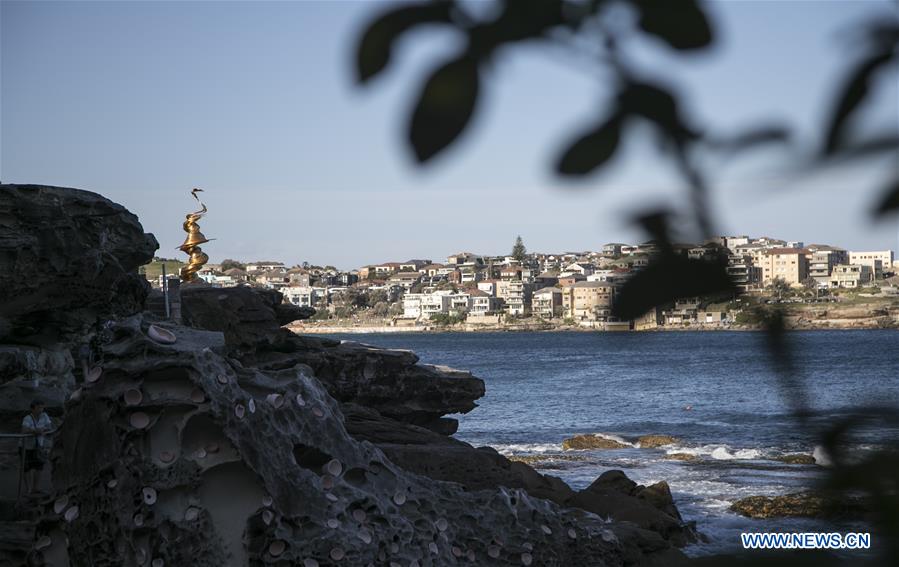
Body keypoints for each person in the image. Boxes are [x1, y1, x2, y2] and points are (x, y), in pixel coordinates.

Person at [21, 400, 52, 495]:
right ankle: (28, 489)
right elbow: (24, 430)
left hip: (38, 446)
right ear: (32, 408)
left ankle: (36, 488)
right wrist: (35, 431)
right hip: (27, 446)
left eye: (42, 407)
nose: (41, 410)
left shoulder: (44, 416)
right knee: (27, 468)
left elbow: (49, 427)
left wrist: (42, 429)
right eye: (38, 407)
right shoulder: (27, 418)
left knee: (39, 467)